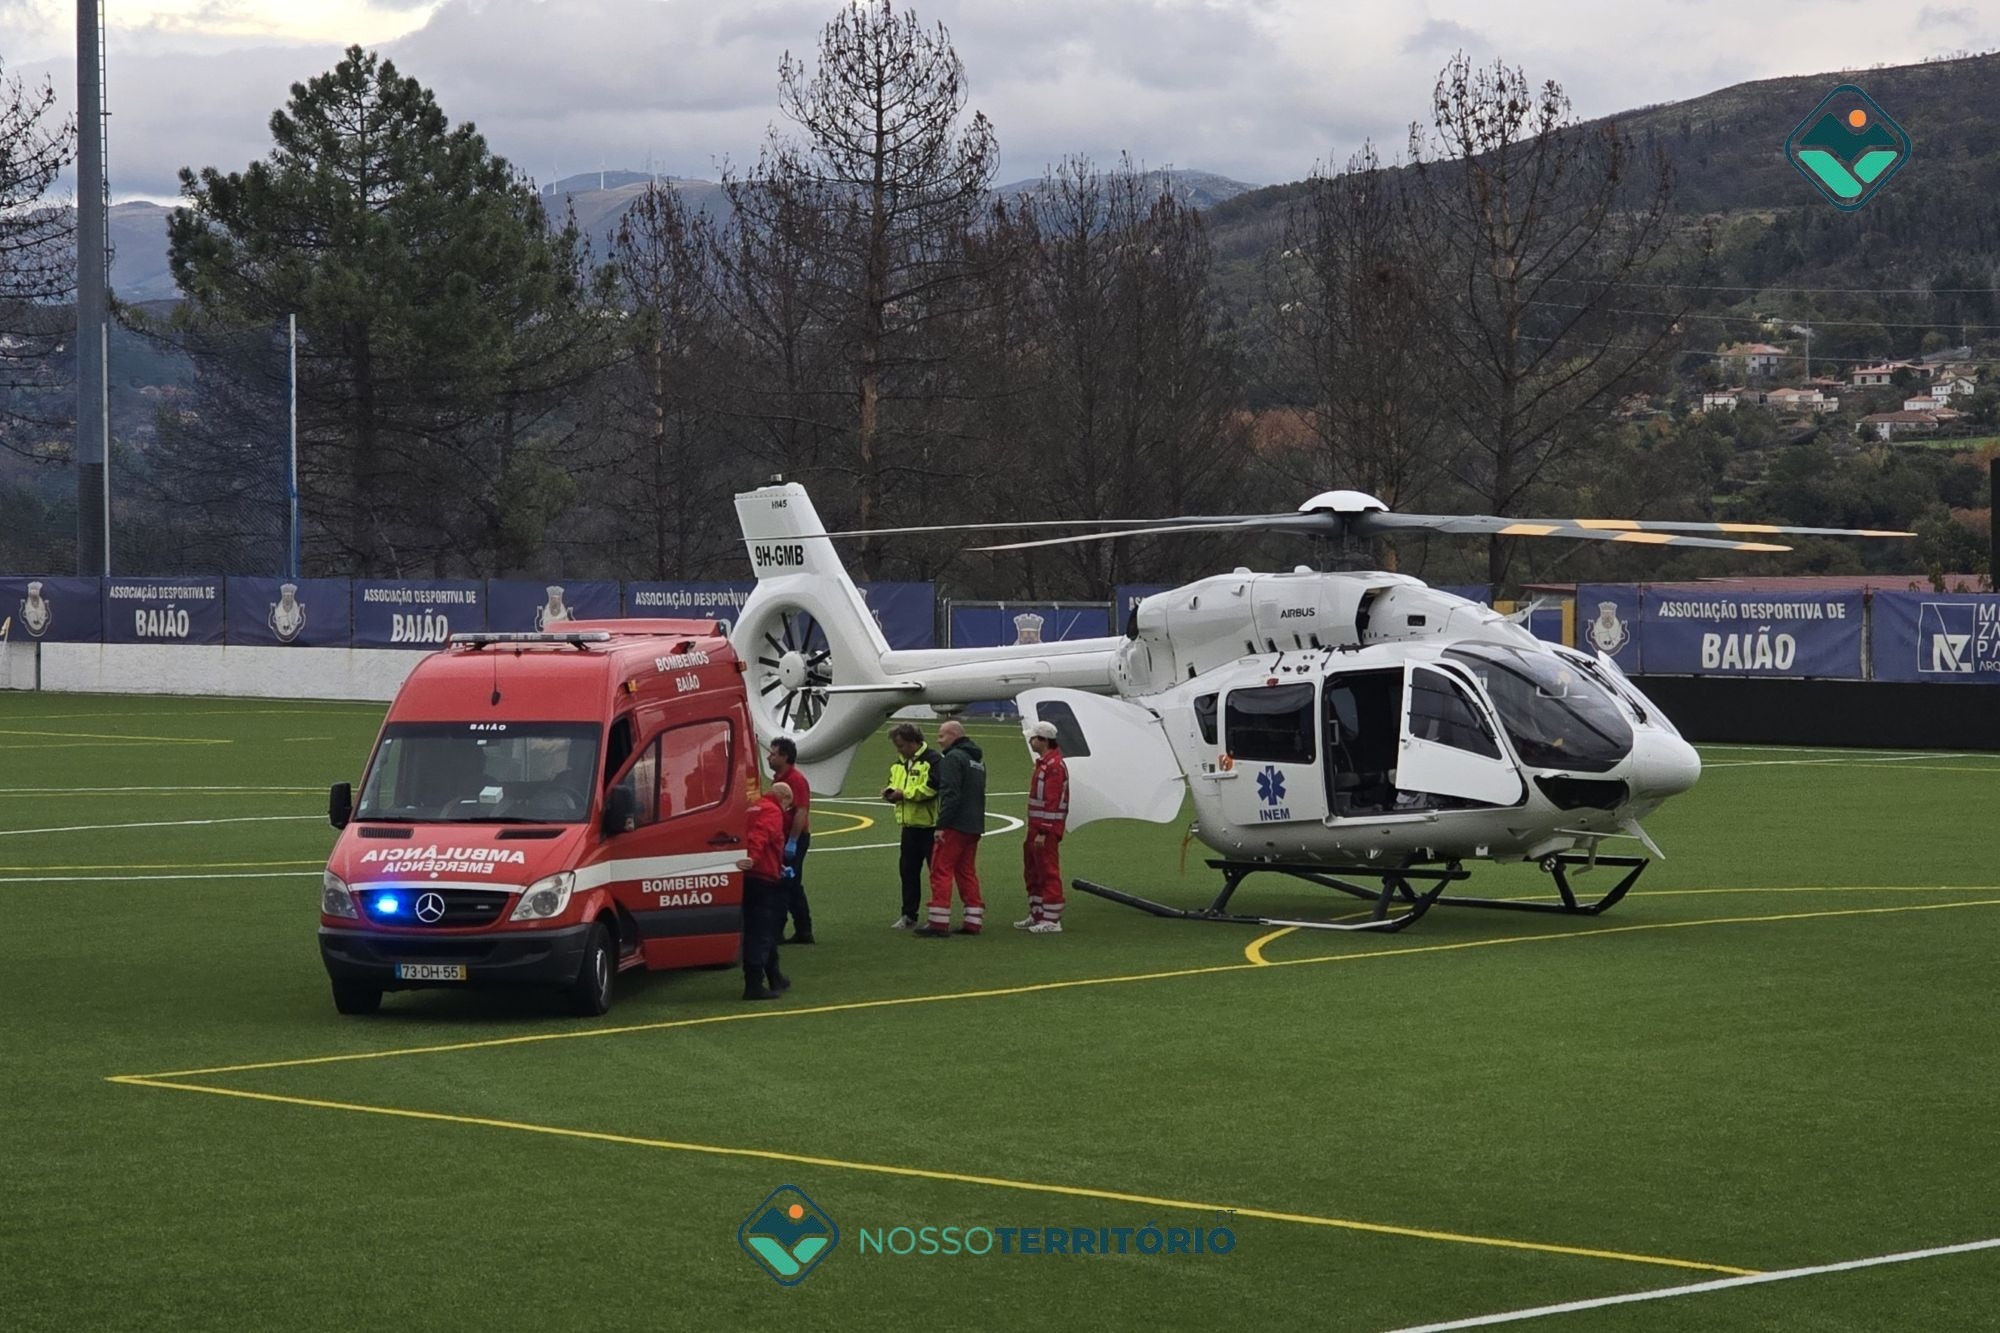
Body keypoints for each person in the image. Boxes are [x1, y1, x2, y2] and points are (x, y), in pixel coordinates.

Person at [917, 719, 986, 937]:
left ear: (954, 735)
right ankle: (973, 921)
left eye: (942, 736)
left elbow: (950, 793)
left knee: (941, 870)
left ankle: (938, 923)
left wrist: (941, 824)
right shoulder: (977, 762)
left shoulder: (952, 759)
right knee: (966, 872)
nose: (938, 740)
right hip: (974, 825)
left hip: (955, 825)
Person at [882, 723, 941, 929]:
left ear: (915, 742)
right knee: (907, 872)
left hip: (931, 827)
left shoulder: (933, 760)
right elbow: (895, 782)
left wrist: (904, 794)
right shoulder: (898, 764)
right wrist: (890, 793)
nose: (899, 750)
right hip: (909, 826)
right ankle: (908, 915)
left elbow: (931, 789)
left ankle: (938, 916)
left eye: (902, 746)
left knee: (937, 873)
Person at [740, 783, 793, 1001]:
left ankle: (774, 976)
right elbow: (761, 835)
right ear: (784, 798)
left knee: (764, 929)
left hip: (757, 875)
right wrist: (754, 859)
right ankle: (754, 984)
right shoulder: (772, 811)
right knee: (759, 931)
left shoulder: (757, 806)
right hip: (761, 877)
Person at [1017, 720, 1070, 934]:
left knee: (1047, 871)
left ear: (1044, 740)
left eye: (1033, 738)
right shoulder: (1046, 763)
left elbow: (1052, 801)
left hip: (1044, 830)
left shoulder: (1054, 766)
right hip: (1037, 828)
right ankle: (1037, 913)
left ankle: (1051, 919)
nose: (1030, 741)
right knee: (1032, 870)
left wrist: (1043, 831)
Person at [767, 736, 814, 944]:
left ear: (784, 756)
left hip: (794, 838)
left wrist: (792, 841)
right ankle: (801, 930)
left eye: (773, 753)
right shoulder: (779, 778)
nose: (769, 757)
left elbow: (801, 812)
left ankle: (794, 929)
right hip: (784, 838)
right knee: (789, 883)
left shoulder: (795, 780)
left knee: (789, 883)